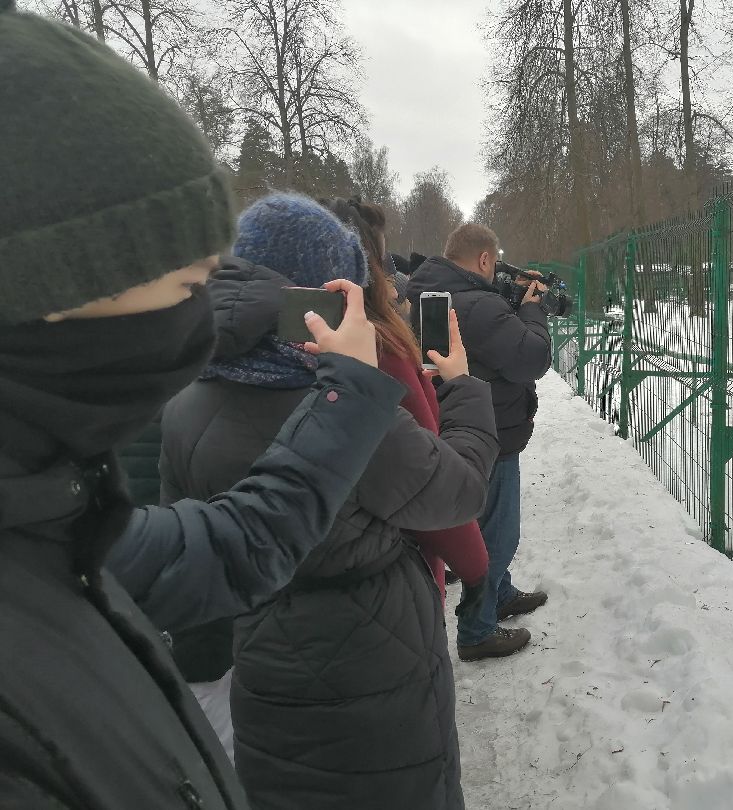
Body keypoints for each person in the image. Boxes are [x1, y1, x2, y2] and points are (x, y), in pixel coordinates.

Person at [0, 7, 405, 808]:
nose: (201, 324)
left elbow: (236, 546)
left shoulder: (54, 525)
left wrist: (351, 394)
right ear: (54, 292)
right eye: (190, 287)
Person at [161, 193, 500, 810]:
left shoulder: (185, 405)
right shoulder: (350, 413)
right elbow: (458, 490)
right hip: (376, 673)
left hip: (264, 670)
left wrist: (205, 673)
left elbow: (195, 574)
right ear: (319, 299)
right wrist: (464, 388)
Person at [324, 197, 490, 604]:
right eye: (383, 264)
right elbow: (431, 483)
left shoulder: (256, 353)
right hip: (384, 595)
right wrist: (461, 386)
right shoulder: (378, 350)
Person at [408, 224, 552, 661]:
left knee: (484, 523)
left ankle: (500, 594)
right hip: (492, 432)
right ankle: (477, 629)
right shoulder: (480, 306)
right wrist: (531, 311)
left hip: (455, 424)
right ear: (485, 260)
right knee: (498, 533)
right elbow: (533, 358)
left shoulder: (427, 292)